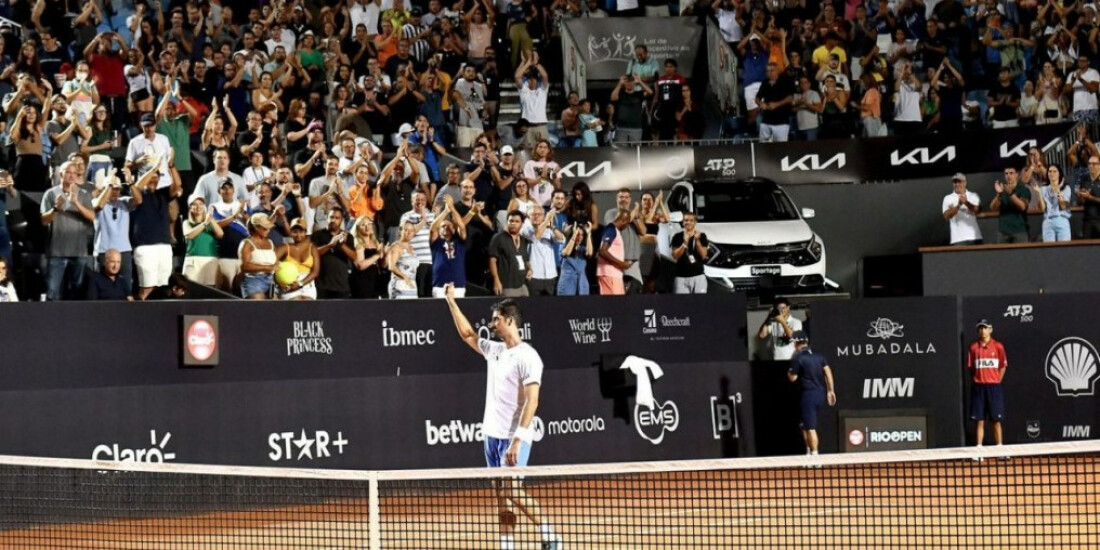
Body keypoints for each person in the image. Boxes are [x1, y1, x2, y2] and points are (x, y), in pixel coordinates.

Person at [442, 285, 563, 550]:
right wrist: (450, 301)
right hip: (492, 434)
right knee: (501, 495)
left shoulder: (529, 357)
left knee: (512, 491)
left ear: (510, 320)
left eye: (496, 319)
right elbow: (467, 334)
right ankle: (507, 544)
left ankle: (550, 536)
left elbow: (533, 400)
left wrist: (517, 440)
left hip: (514, 437)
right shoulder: (494, 350)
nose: (492, 323)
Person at [787, 331, 836, 458]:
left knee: (810, 427)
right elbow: (828, 372)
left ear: (796, 343)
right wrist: (831, 390)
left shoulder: (798, 357)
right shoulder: (819, 356)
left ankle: (815, 457)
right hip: (819, 394)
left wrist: (790, 372)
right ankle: (808, 452)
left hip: (808, 396)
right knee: (804, 425)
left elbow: (792, 378)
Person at [967, 319, 1007, 454]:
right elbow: (971, 368)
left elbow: (1002, 366)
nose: (982, 331)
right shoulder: (973, 348)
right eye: (980, 328)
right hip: (979, 388)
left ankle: (1000, 449)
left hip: (994, 388)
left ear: (990, 329)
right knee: (979, 421)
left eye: (985, 328)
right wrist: (979, 379)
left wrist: (996, 380)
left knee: (996, 420)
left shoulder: (998, 347)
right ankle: (979, 451)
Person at [430, 195, 468, 297]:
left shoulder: (459, 241)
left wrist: (452, 208)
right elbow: (433, 228)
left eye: (449, 226)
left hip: (458, 285)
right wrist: (446, 211)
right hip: (439, 284)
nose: (446, 227)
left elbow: (462, 227)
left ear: (454, 229)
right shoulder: (436, 241)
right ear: (439, 230)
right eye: (443, 226)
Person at [182, 197, 225, 286]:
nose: (198, 206)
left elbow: (220, 234)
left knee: (210, 290)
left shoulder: (211, 224)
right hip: (193, 260)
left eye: (201, 204)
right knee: (190, 287)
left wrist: (210, 219)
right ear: (190, 208)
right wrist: (204, 223)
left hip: (210, 260)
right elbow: (189, 234)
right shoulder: (187, 223)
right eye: (195, 204)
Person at [489, 210, 532, 297]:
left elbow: (526, 259)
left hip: (523, 285)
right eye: (511, 221)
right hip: (507, 286)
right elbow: (492, 260)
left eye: (517, 221)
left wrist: (530, 269)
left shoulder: (523, 240)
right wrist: (496, 280)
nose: (513, 223)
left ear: (522, 224)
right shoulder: (498, 238)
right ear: (507, 222)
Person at [276, 218, 321, 300]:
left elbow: (315, 272)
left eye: (301, 231)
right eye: (295, 232)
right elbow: (271, 264)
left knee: (309, 308)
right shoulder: (285, 247)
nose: (298, 235)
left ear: (305, 232)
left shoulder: (312, 247)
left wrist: (300, 283)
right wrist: (277, 282)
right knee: (294, 307)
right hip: (290, 283)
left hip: (307, 283)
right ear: (291, 232)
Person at [239, 213, 278, 299]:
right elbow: (244, 266)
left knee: (275, 309)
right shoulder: (247, 243)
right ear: (256, 227)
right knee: (259, 308)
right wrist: (267, 267)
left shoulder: (270, 243)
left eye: (268, 228)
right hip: (253, 280)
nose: (268, 230)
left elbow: (276, 263)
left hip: (270, 280)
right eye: (265, 228)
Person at [670, 212, 708, 293]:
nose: (688, 222)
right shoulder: (677, 236)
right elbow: (675, 256)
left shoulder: (702, 236)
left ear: (695, 222)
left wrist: (697, 241)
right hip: (681, 277)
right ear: (683, 222)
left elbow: (703, 255)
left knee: (700, 303)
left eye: (691, 220)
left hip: (698, 276)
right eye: (686, 220)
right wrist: (684, 243)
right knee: (682, 304)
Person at [990, 165, 1031, 243]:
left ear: (1016, 175)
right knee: (1002, 255)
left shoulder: (1023, 189)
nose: (1008, 175)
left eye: (1011, 173)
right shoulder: (1002, 190)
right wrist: (999, 195)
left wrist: (1011, 194)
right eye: (1006, 173)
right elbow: (993, 208)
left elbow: (1022, 206)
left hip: (1019, 231)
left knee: (1021, 255)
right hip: (1003, 232)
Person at [942, 172, 982, 245]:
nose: (957, 184)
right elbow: (946, 216)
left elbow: (978, 210)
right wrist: (958, 205)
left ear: (965, 183)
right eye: (955, 182)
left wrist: (966, 203)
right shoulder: (947, 198)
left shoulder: (973, 195)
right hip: (958, 239)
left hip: (975, 237)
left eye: (959, 182)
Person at [1036, 164, 1072, 243]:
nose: (1052, 173)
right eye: (1050, 171)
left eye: (1055, 171)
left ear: (1059, 173)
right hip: (1048, 221)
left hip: (1062, 220)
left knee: (1064, 248)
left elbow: (1063, 206)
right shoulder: (1043, 189)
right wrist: (1039, 193)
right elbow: (1042, 209)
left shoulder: (1066, 188)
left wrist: (1058, 191)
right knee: (1048, 250)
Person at [387, 219, 421, 299]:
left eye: (411, 230)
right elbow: (391, 266)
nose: (409, 233)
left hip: (411, 286)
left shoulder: (412, 249)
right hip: (399, 285)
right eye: (406, 230)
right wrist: (405, 277)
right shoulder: (396, 246)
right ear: (400, 231)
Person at [557, 222, 593, 296]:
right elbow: (566, 253)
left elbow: (589, 253)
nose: (580, 237)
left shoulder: (582, 248)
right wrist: (574, 235)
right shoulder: (564, 244)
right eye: (578, 235)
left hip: (581, 283)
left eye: (582, 235)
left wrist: (589, 234)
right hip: (567, 282)